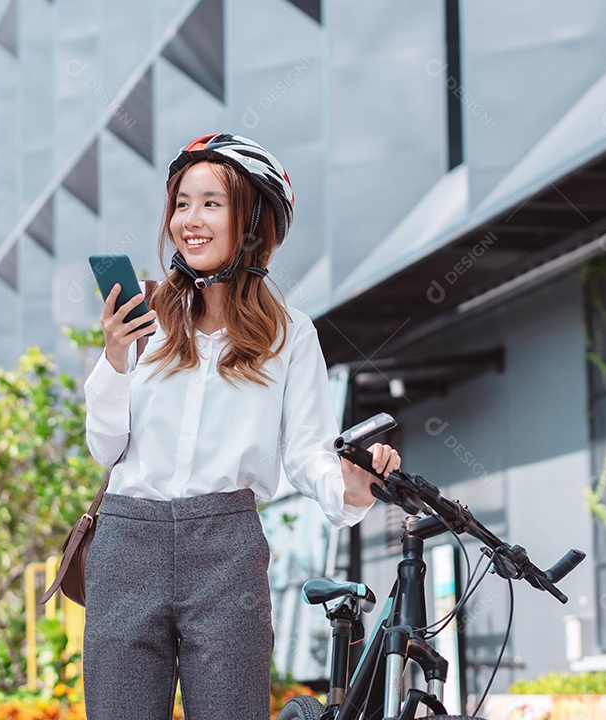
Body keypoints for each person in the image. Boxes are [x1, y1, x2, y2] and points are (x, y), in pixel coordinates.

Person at [81, 133, 401, 719]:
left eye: (211, 203)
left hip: (227, 547)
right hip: (127, 542)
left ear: (252, 222)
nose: (189, 220)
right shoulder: (143, 320)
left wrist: (350, 490)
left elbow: (307, 452)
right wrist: (114, 359)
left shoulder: (289, 335)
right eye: (181, 203)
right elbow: (105, 448)